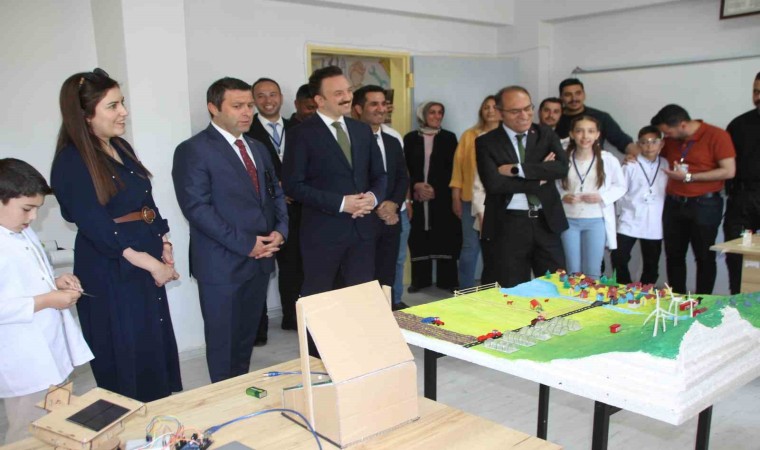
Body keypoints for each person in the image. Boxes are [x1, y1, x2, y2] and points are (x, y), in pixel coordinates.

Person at [51, 69, 182, 402]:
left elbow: (145, 201)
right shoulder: (71, 161)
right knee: (124, 352)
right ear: (85, 115)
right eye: (112, 106)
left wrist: (164, 242)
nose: (123, 112)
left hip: (144, 258)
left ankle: (155, 415)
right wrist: (150, 264)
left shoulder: (120, 147)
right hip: (111, 268)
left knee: (152, 345)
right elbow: (95, 225)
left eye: (122, 103)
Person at [173, 77, 288, 383]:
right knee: (223, 342)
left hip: (261, 259)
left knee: (245, 338)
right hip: (221, 263)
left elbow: (275, 193)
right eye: (237, 106)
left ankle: (240, 389)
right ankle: (224, 396)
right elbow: (197, 209)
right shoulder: (193, 150)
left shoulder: (257, 148)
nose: (247, 112)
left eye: (249, 105)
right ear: (214, 108)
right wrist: (246, 244)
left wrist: (280, 230)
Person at [0, 159, 93, 444]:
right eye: (26, 208)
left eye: (37, 209)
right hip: (23, 358)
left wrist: (55, 282)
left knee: (58, 422)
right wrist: (48, 299)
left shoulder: (22, 232)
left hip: (50, 349)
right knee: (28, 431)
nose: (33, 217)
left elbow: (23, 281)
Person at [282, 66, 386, 299]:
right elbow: (293, 185)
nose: (347, 97)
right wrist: (341, 203)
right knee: (320, 299)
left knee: (360, 298)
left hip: (363, 231)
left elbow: (380, 175)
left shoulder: (362, 130)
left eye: (348, 90)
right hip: (322, 233)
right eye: (338, 93)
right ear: (319, 100)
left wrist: (372, 198)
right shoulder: (301, 134)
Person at [476, 86, 569, 288]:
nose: (524, 115)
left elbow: (561, 168)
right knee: (511, 287)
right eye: (515, 111)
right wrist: (539, 177)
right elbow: (495, 184)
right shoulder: (486, 142)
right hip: (508, 223)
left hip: (546, 221)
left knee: (555, 285)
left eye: (528, 108)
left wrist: (517, 170)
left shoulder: (545, 134)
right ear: (500, 112)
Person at [651, 104, 736, 294]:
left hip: (705, 204)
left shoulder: (717, 135)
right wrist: (632, 156)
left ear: (682, 125)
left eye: (668, 132)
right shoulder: (671, 140)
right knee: (674, 256)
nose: (667, 137)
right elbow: (651, 156)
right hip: (674, 204)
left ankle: (702, 302)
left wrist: (690, 177)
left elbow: (729, 171)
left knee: (704, 256)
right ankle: (676, 300)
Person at [245, 77, 298, 336]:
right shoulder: (245, 131)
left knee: (294, 268)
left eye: (273, 94)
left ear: (281, 97)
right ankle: (258, 330)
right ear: (254, 100)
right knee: (260, 272)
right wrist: (275, 192)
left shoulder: (298, 128)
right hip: (262, 213)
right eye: (261, 95)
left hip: (296, 211)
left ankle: (292, 318)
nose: (268, 100)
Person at [352, 85, 409, 307]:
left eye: (383, 103)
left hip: (391, 217)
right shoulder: (350, 141)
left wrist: (393, 204)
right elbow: (352, 180)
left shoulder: (392, 141)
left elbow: (402, 177)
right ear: (358, 109)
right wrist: (378, 205)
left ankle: (388, 310)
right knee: (362, 272)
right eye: (374, 104)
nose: (381, 109)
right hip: (362, 217)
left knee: (388, 269)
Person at [556, 116, 625, 278]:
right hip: (569, 220)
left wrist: (602, 197)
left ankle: (592, 295)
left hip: (595, 220)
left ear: (597, 134)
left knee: (593, 271)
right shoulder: (563, 159)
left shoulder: (608, 159)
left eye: (590, 131)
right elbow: (553, 184)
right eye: (579, 131)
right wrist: (563, 196)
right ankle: (574, 295)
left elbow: (621, 186)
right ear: (572, 134)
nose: (585, 136)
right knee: (573, 270)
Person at [405, 101, 461, 292]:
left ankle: (448, 281)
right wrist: (416, 186)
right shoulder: (410, 138)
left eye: (440, 113)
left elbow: (454, 168)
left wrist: (435, 188)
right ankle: (420, 281)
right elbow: (405, 168)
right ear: (423, 115)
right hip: (417, 197)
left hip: (443, 197)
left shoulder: (449, 138)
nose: (437, 116)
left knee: (445, 236)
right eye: (432, 112)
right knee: (419, 237)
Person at [451, 95, 500, 289]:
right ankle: (466, 289)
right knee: (470, 247)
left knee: (496, 249)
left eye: (494, 107)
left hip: (499, 202)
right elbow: (458, 168)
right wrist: (455, 197)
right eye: (486, 107)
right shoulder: (469, 135)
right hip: (469, 200)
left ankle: (494, 288)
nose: (490, 110)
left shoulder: (507, 137)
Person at [612, 126, 667, 285]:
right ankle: (624, 287)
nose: (649, 146)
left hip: (654, 219)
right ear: (638, 144)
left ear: (661, 143)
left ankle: (645, 291)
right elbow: (620, 191)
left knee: (652, 262)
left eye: (653, 142)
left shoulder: (666, 164)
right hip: (630, 217)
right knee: (619, 256)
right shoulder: (631, 164)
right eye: (644, 142)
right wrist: (620, 213)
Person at [724, 72, 760, 294]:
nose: (758, 96)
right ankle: (737, 304)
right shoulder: (739, 124)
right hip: (743, 199)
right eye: (755, 91)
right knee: (736, 252)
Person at [554, 78, 637, 156]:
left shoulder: (601, 117)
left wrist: (639, 159)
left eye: (578, 93)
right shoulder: (554, 118)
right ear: (561, 97)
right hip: (561, 164)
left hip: (596, 164)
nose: (574, 98)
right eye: (568, 95)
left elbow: (624, 143)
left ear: (584, 95)